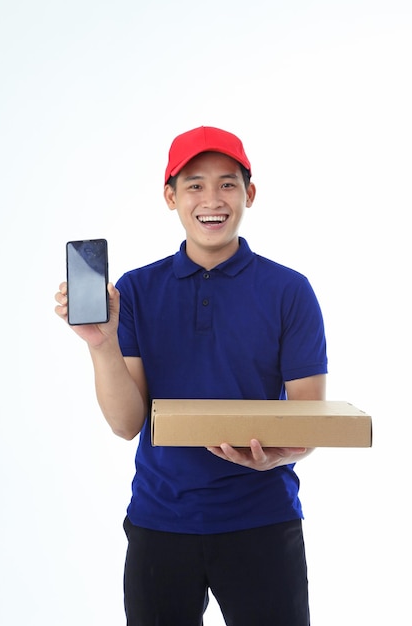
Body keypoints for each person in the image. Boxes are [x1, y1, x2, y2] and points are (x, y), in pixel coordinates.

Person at [55, 125, 327, 626]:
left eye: (227, 183)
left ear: (249, 193)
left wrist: (280, 456)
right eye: (194, 184)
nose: (212, 199)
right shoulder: (135, 290)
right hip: (161, 523)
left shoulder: (290, 290)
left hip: (263, 521)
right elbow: (126, 423)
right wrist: (102, 344)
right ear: (170, 196)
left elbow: (309, 415)